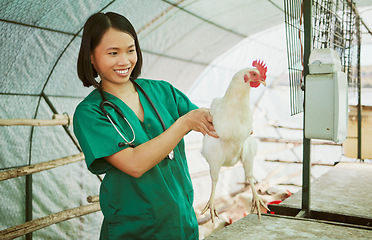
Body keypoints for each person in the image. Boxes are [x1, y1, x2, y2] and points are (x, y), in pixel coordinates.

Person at [73, 12, 218, 239]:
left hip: (181, 224)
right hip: (135, 231)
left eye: (130, 50)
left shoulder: (162, 91)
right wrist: (183, 124)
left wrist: (231, 122)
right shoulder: (91, 113)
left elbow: (207, 119)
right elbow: (134, 164)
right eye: (113, 53)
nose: (125, 61)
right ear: (91, 57)